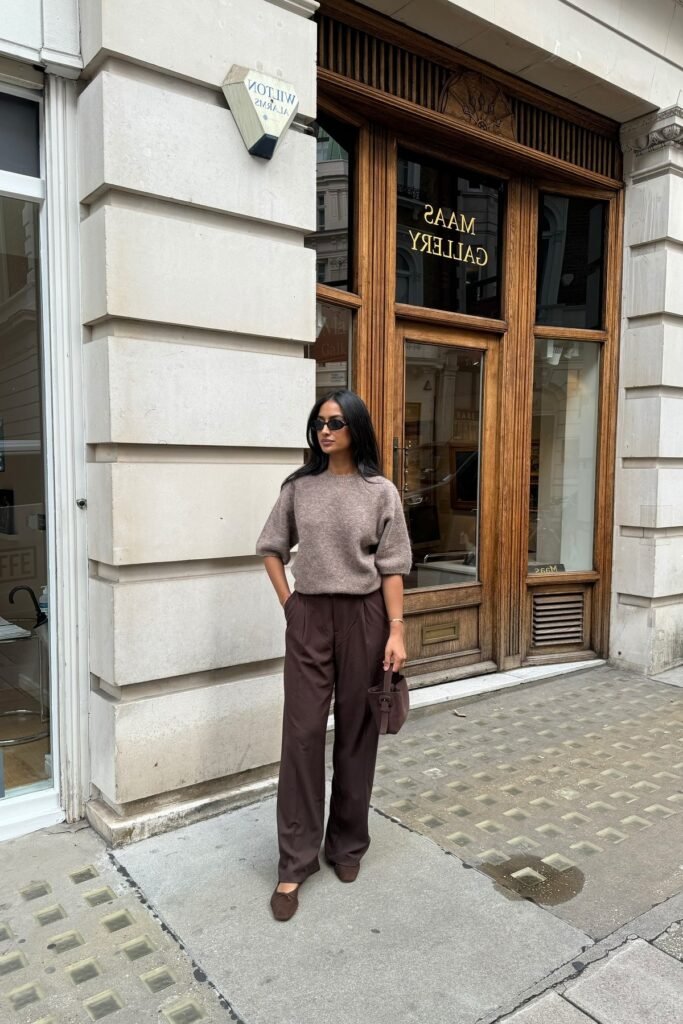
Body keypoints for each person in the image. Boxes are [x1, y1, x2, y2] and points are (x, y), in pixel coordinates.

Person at [255, 389, 413, 921]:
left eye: (337, 422)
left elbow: (392, 565)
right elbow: (271, 547)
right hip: (310, 617)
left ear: (356, 428)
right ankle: (293, 863)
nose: (326, 430)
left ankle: (346, 845)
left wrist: (396, 629)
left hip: (366, 617)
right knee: (300, 735)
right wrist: (291, 605)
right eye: (320, 422)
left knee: (356, 731)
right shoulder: (299, 488)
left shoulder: (380, 491)